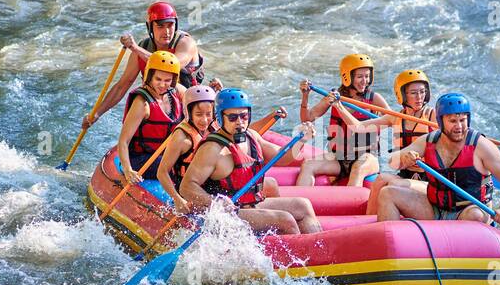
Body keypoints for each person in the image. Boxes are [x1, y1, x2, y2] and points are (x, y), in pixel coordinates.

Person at [181, 88, 322, 235]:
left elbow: (282, 157)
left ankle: (320, 248)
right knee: (285, 219)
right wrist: (215, 203)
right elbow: (186, 187)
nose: (240, 122)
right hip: (229, 214)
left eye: (244, 116)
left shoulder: (251, 136)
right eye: (233, 117)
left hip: (251, 205)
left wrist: (301, 141)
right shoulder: (212, 149)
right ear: (220, 117)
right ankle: (303, 253)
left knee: (302, 205)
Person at [376, 92, 500, 226]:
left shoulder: (481, 145)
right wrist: (404, 158)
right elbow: (392, 162)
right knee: (387, 194)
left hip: (468, 210)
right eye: (453, 121)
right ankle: (388, 247)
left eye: (462, 120)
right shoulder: (429, 141)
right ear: (440, 122)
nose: (459, 126)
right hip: (435, 207)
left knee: (476, 216)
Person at [82, 1, 218, 130]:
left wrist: (134, 48)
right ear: (150, 27)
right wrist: (96, 114)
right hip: (159, 107)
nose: (166, 31)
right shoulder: (144, 47)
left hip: (190, 109)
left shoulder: (186, 43)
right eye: (160, 26)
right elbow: (122, 86)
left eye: (170, 25)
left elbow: (170, 65)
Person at [295, 53, 391, 187]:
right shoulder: (334, 97)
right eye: (360, 77)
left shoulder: (374, 99)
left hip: (367, 157)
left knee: (358, 168)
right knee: (308, 165)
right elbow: (307, 118)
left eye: (367, 76)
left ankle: (351, 203)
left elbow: (392, 120)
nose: (365, 81)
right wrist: (305, 96)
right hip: (339, 157)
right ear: (347, 77)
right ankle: (300, 204)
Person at [353, 69, 435, 215]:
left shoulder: (433, 116)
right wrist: (338, 106)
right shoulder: (396, 117)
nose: (419, 97)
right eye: (413, 93)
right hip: (405, 174)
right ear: (402, 95)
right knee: (380, 180)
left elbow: (456, 133)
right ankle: (367, 222)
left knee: (391, 185)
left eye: (422, 92)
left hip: (430, 180)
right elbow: (358, 127)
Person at [112, 50, 183, 185]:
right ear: (149, 76)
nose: (163, 85)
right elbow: (123, 141)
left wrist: (213, 92)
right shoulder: (142, 103)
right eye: (158, 79)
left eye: (167, 80)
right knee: (176, 169)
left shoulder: (175, 92)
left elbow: (197, 102)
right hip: (141, 158)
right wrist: (128, 170)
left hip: (165, 155)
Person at [156, 84, 218, 211]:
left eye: (208, 114)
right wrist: (177, 199)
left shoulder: (214, 128)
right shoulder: (181, 137)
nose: (205, 120)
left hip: (209, 183)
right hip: (188, 190)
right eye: (199, 114)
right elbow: (162, 172)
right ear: (188, 113)